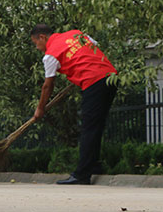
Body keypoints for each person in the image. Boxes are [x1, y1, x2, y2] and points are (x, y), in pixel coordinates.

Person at [30, 24, 118, 185]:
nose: (37, 48)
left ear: (42, 37)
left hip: (93, 81)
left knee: (88, 128)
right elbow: (94, 47)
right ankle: (94, 166)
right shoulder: (75, 34)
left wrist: (40, 108)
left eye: (36, 43)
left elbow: (48, 85)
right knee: (96, 125)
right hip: (110, 77)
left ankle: (82, 174)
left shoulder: (50, 55)